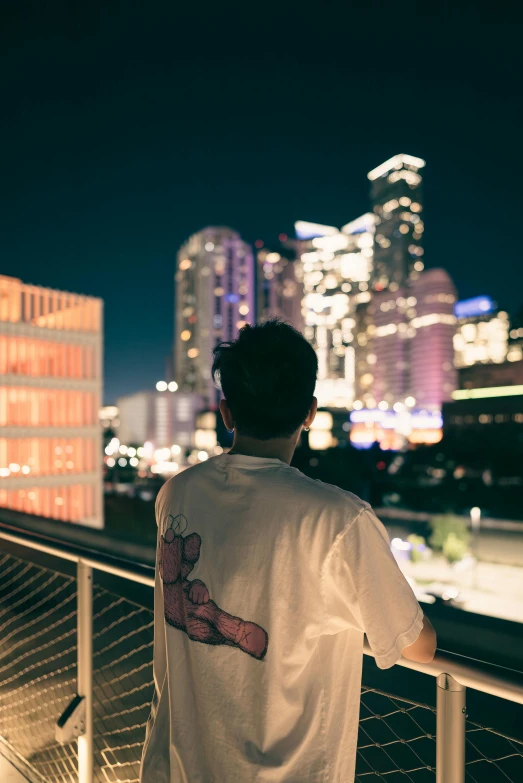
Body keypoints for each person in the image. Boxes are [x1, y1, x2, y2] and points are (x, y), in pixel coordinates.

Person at [140, 319, 436, 783]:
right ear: (310, 412)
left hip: (173, 767)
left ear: (227, 413)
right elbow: (417, 645)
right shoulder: (338, 519)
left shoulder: (177, 494)